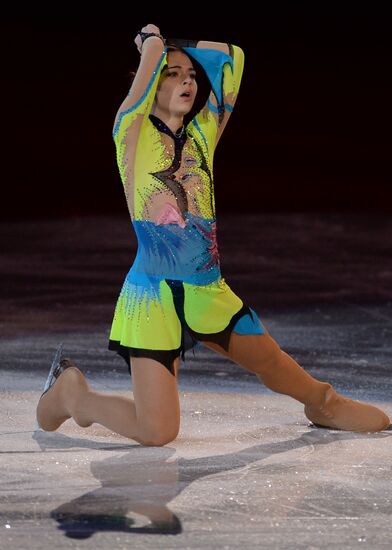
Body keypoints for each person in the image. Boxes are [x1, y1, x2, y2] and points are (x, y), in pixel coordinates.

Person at [36, 24, 390, 445]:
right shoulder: (130, 133)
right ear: (148, 83)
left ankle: (323, 402)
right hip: (153, 297)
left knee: (269, 361)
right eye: (174, 74)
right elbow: (145, 80)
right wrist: (152, 44)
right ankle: (73, 395)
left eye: (191, 74)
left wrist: (173, 47)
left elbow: (232, 58)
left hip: (207, 290)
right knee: (157, 431)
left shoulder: (203, 133)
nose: (188, 80)